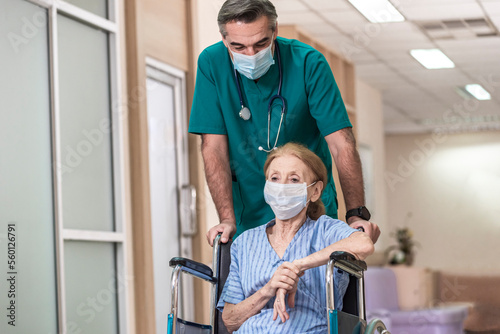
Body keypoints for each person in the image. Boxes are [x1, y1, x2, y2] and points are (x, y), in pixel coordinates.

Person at [188, 0, 380, 245]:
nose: (251, 54)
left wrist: (356, 214)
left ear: (275, 31)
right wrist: (226, 219)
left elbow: (341, 143)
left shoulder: (308, 63)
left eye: (261, 44)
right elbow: (213, 147)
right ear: (224, 39)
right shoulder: (212, 63)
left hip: (310, 209)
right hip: (249, 214)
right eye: (238, 46)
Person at [216, 143, 374, 333]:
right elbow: (230, 321)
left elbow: (363, 243)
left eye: (294, 179)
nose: (281, 187)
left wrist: (298, 266)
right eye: (274, 178)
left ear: (315, 191)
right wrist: (269, 288)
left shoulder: (324, 230)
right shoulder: (244, 243)